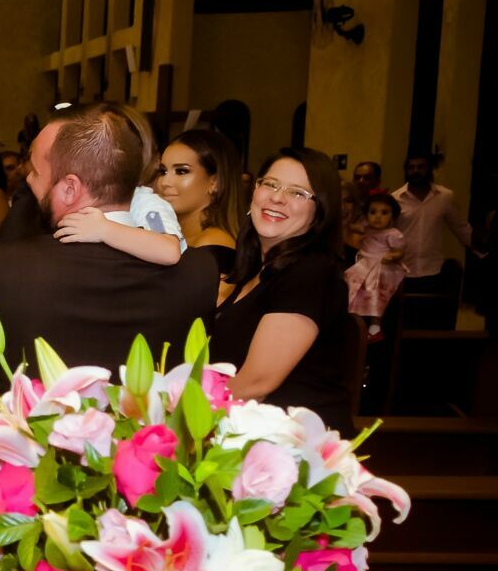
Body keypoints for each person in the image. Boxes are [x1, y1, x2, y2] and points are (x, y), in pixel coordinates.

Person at [0, 103, 220, 415]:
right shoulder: (199, 272)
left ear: (70, 188)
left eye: (37, 172)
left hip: (28, 454)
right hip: (143, 455)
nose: (29, 181)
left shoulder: (3, 266)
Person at [214, 149, 352, 425]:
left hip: (295, 448)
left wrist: (182, 418)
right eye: (270, 184)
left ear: (320, 210)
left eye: (298, 193)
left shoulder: (311, 272)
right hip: (250, 432)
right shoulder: (255, 270)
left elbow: (257, 383)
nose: (277, 197)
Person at [155, 128, 242, 279]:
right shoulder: (171, 233)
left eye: (181, 171)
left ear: (215, 182)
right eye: (163, 171)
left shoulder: (212, 244)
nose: (165, 182)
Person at [393, 153, 473, 312]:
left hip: (433, 269)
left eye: (420, 167)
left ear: (429, 169)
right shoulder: (395, 199)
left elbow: (460, 227)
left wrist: (482, 248)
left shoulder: (444, 197)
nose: (415, 171)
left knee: (429, 316)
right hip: (402, 271)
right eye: (411, 167)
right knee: (404, 319)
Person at [345, 190, 407, 338]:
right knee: (351, 286)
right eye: (373, 212)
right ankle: (354, 318)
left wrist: (392, 256)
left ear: (393, 216)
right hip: (364, 264)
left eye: (384, 213)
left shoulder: (392, 234)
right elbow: (351, 226)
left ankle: (375, 324)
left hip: (381, 266)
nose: (378, 216)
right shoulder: (366, 228)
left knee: (375, 291)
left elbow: (399, 252)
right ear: (366, 215)